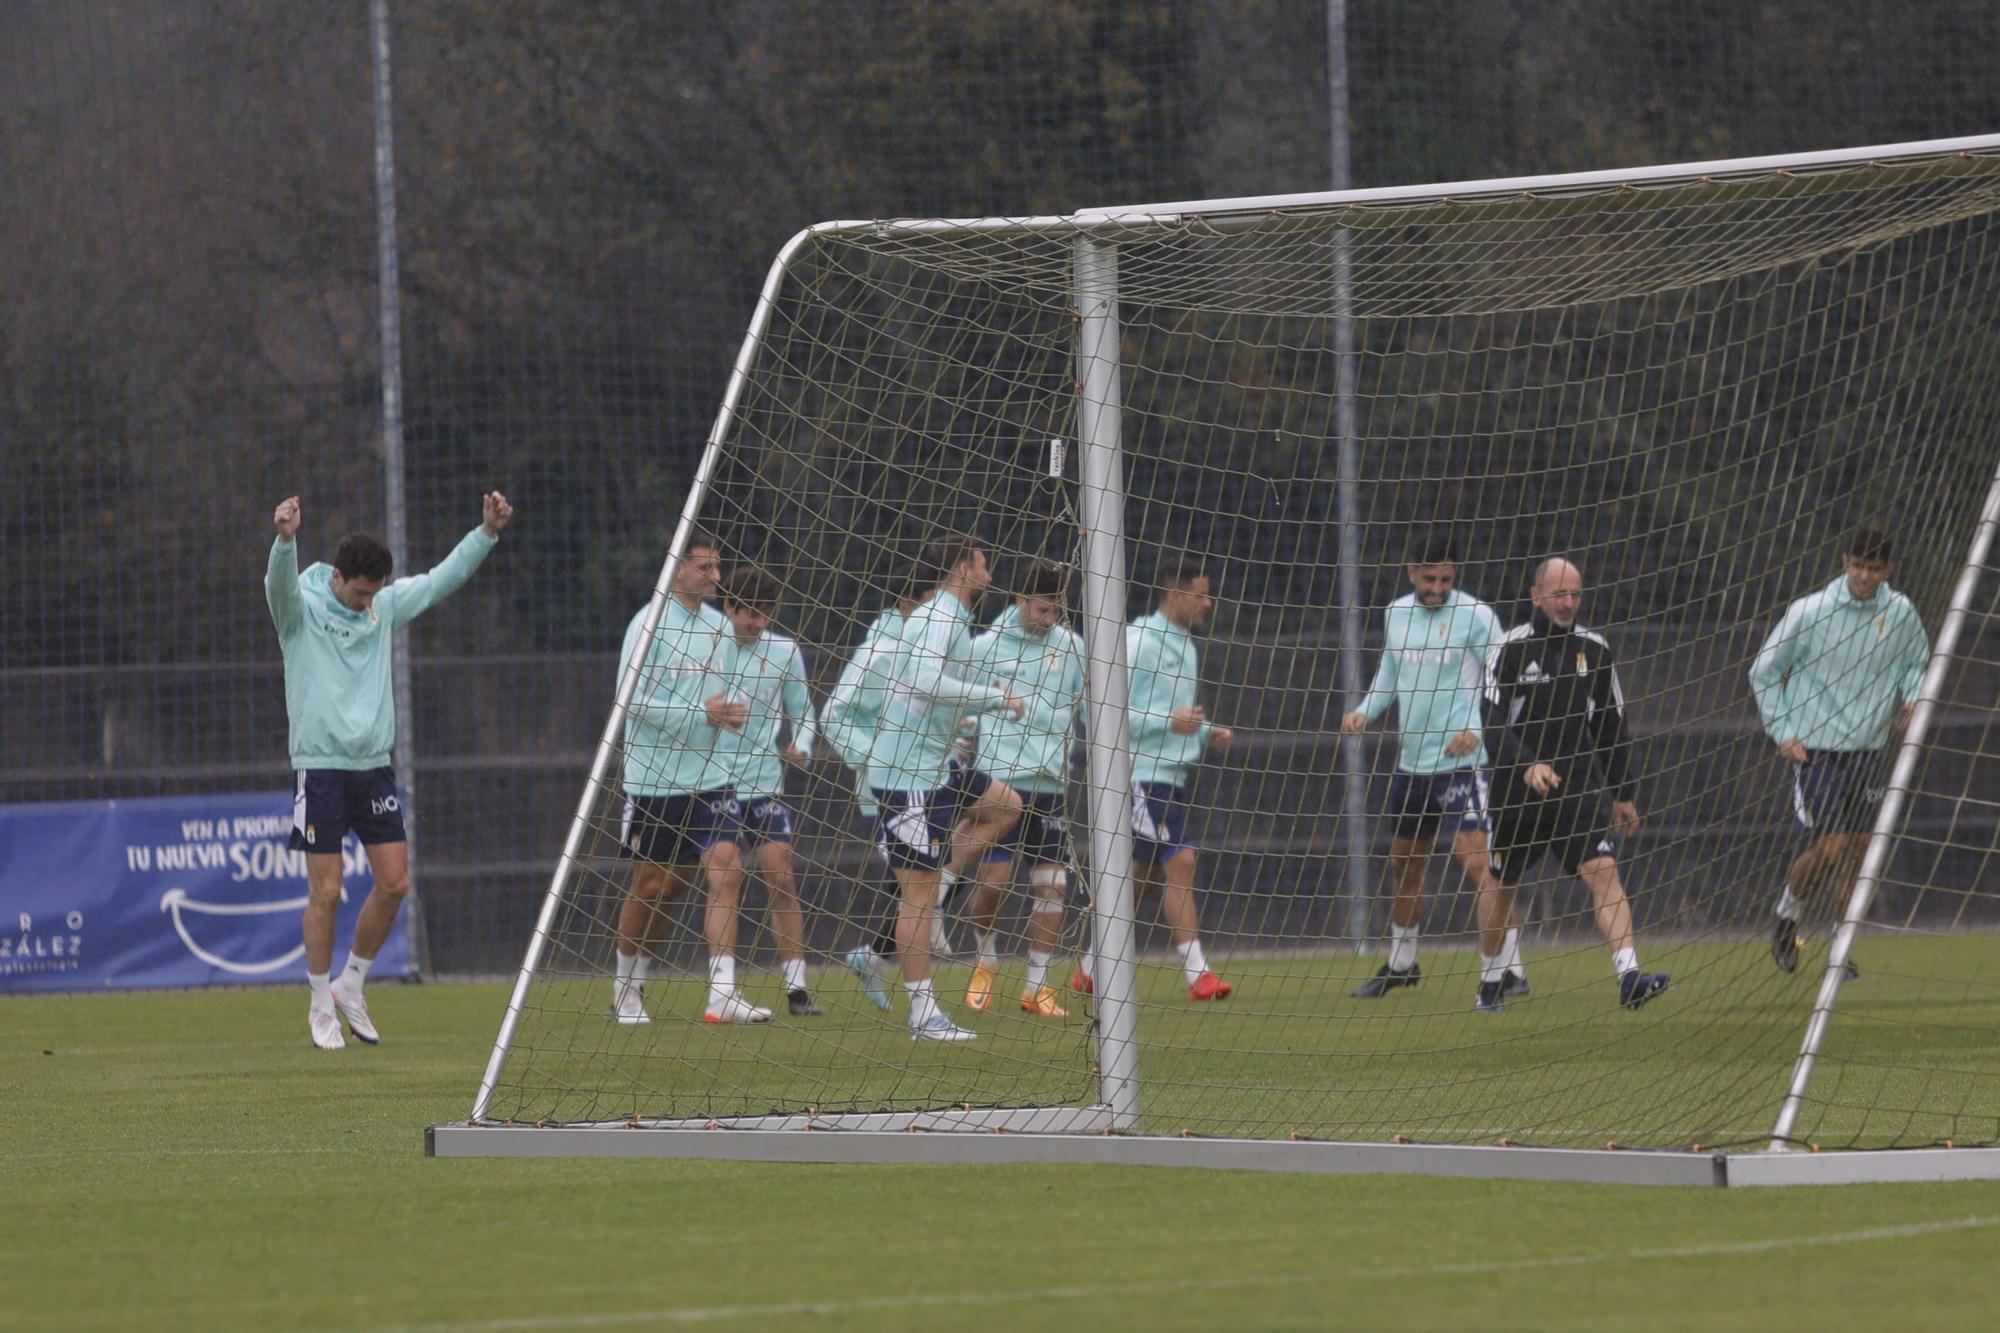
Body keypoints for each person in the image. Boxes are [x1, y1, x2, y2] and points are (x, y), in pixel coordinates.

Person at [265, 491, 513, 1051]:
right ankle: (318, 1003)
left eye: (374, 594)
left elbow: (438, 581)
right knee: (326, 893)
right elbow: (278, 588)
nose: (367, 604)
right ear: (339, 578)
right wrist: (285, 542)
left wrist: (486, 534)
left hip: (373, 767)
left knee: (395, 882)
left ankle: (351, 985)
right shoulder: (299, 610)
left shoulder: (380, 607)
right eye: (359, 593)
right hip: (321, 768)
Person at [1482, 558, 1670, 1013]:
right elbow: (1491, 725)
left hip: (1576, 789)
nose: (1568, 603)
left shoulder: (1596, 650)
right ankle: (1489, 979)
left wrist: (1624, 793)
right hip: (1517, 795)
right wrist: (1527, 767)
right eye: (1558, 594)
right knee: (1503, 884)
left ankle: (1629, 977)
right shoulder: (1507, 649)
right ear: (1535, 596)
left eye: (1575, 594)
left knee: (1604, 872)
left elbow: (1612, 725)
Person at [863, 535, 1025, 1040]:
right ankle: (923, 1014)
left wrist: (984, 697)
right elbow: (928, 683)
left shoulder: (948, 618)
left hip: (936, 768)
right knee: (917, 896)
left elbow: (931, 694)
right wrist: (994, 700)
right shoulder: (938, 617)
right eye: (983, 563)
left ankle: (944, 881)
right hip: (909, 775)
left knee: (1007, 806)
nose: (990, 574)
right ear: (962, 568)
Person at [1749, 527, 1930, 976]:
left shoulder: (1901, 612)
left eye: (1874, 569)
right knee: (1829, 847)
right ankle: (1786, 917)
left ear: (1888, 570)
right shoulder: (1809, 612)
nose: (1864, 576)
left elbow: (1917, 662)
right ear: (1844, 561)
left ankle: (1839, 945)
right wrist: (1783, 731)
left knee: (1861, 852)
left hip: (1868, 750)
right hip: (1816, 751)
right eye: (1857, 566)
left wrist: (1912, 696)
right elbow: (1764, 672)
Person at [609, 530, 766, 1026]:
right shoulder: (647, 624)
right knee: (657, 886)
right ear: (679, 567)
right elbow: (630, 702)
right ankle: (627, 986)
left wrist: (726, 717)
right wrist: (703, 713)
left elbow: (718, 703)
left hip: (711, 779)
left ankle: (722, 992)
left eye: (718, 567)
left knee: (727, 869)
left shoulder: (719, 628)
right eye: (706, 567)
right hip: (654, 780)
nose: (717, 577)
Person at [1341, 529, 1506, 1000]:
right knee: (1405, 864)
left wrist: (1477, 728)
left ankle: (1504, 968)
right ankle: (1402, 963)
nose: (1436, 588)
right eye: (1428, 578)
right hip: (1413, 766)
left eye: (1446, 580)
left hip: (1463, 763)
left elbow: (1501, 680)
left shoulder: (1476, 616)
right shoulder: (1395, 613)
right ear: (1411, 573)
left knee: (1477, 864)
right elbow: (1388, 677)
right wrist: (1363, 711)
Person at [1073, 552, 1235, 1002]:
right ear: (1176, 592)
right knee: (1180, 861)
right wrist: (1171, 720)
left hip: (1172, 776)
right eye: (1201, 595)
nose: (1208, 604)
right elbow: (1096, 709)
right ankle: (1198, 974)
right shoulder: (1139, 640)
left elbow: (1175, 718)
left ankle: (1089, 968)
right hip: (1140, 777)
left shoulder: (1186, 642)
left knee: (1138, 880)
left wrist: (1205, 732)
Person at [963, 560, 1086, 1018]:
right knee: (994, 881)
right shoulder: (985, 648)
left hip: (1051, 785)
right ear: (1019, 600)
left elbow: (1091, 709)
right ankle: (986, 958)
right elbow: (962, 704)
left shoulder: (1072, 648)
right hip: (1000, 784)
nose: (1048, 617)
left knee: (1051, 885)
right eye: (1041, 608)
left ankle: (1037, 985)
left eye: (1056, 609)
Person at [717, 566, 822, 1017]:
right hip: (713, 784)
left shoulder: (784, 651)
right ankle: (719, 987)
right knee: (717, 881)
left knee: (781, 876)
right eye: (750, 615)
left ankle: (796, 990)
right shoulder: (709, 647)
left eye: (766, 614)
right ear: (729, 608)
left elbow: (805, 712)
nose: (759, 623)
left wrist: (802, 743)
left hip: (765, 785)